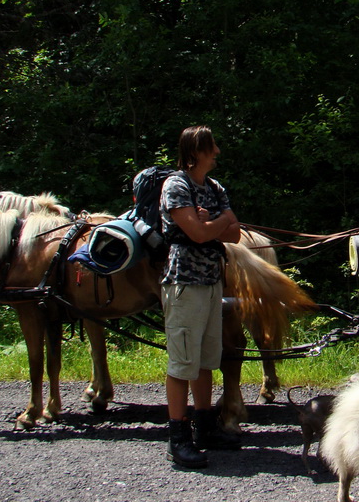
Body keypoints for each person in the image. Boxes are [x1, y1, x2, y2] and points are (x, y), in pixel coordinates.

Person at [160, 125, 242, 469]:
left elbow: (235, 234)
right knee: (182, 362)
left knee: (207, 359)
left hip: (211, 283)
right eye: (212, 147)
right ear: (195, 152)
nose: (218, 152)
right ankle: (177, 439)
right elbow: (194, 233)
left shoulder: (214, 187)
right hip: (184, 284)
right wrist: (213, 224)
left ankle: (204, 427)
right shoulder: (176, 185)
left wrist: (215, 222)